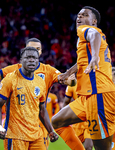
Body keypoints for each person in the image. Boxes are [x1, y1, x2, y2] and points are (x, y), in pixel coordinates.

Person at [0, 37, 76, 149]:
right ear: (24, 51)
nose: (34, 52)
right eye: (31, 49)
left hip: (39, 128)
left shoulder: (47, 72)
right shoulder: (12, 73)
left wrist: (72, 79)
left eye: (37, 49)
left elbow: (68, 81)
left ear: (40, 52)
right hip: (16, 131)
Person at [52, 6, 115, 150]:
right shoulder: (84, 41)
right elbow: (81, 62)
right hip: (87, 96)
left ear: (93, 21)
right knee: (57, 121)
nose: (79, 17)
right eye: (78, 15)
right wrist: (68, 72)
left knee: (102, 148)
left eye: (84, 15)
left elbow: (94, 34)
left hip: (99, 95)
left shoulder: (87, 31)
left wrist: (94, 58)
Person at [0, 46, 58, 150]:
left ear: (38, 61)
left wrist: (50, 131)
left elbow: (42, 110)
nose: (31, 60)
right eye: (28, 57)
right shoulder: (10, 79)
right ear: (21, 60)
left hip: (36, 135)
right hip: (15, 135)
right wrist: (0, 127)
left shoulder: (40, 82)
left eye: (35, 58)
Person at [63, 84, 93, 150]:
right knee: (77, 148)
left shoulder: (93, 83)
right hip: (77, 121)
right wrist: (64, 119)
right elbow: (66, 102)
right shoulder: (72, 85)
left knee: (88, 147)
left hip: (90, 120)